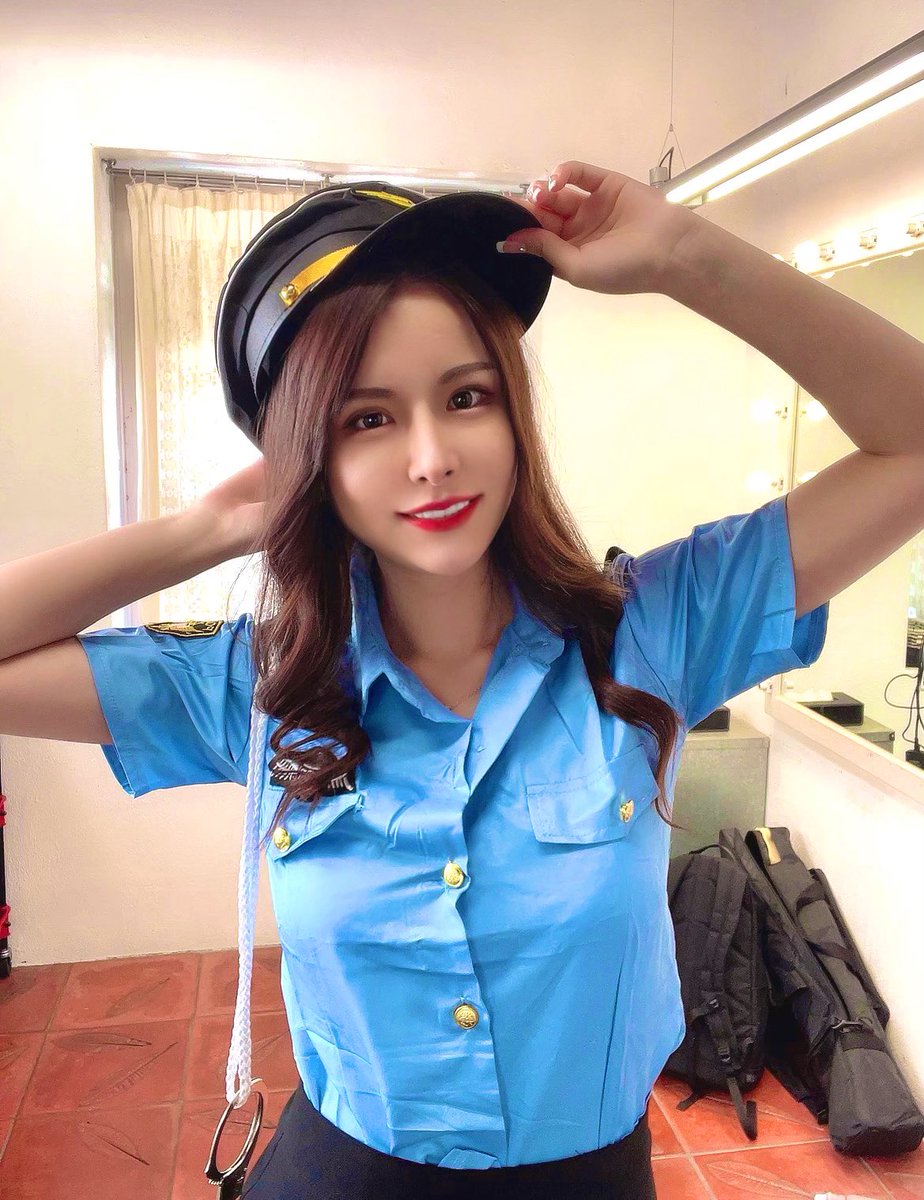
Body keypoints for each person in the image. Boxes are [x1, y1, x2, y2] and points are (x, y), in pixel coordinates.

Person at [24, 152, 924, 1198]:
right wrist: (205, 527)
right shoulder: (261, 685)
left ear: (512, 416)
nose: (431, 457)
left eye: (465, 397)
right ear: (313, 456)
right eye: (367, 418)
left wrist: (684, 253)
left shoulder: (652, 633)